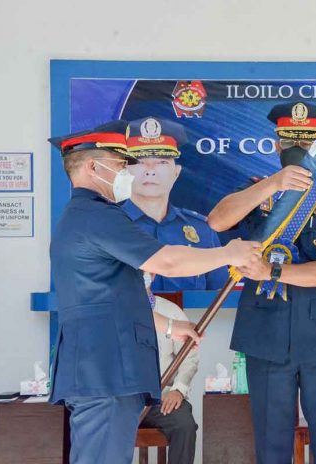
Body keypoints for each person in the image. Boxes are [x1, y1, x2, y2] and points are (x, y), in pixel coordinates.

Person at [48, 120, 261, 464]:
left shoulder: (88, 216)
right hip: (106, 373)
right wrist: (228, 253)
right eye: (120, 165)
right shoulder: (97, 216)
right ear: (91, 167)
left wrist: (168, 326)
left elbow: (114, 297)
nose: (127, 174)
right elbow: (168, 262)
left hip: (106, 370)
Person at [208, 101, 316, 463]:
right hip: (265, 331)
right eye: (290, 142)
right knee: (272, 443)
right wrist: (275, 183)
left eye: (307, 144)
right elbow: (217, 221)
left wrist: (272, 272)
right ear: (276, 144)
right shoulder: (257, 193)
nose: (299, 151)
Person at [122, 115, 227, 291]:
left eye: (162, 162)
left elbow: (219, 297)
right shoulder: (110, 225)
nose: (150, 171)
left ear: (176, 173)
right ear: (124, 170)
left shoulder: (202, 230)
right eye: (139, 162)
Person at [141, 273, 200, 464]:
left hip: (162, 399)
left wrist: (178, 390)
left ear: (153, 274)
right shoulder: (112, 311)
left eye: (144, 270)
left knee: (185, 425)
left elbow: (189, 358)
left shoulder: (171, 312)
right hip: (124, 400)